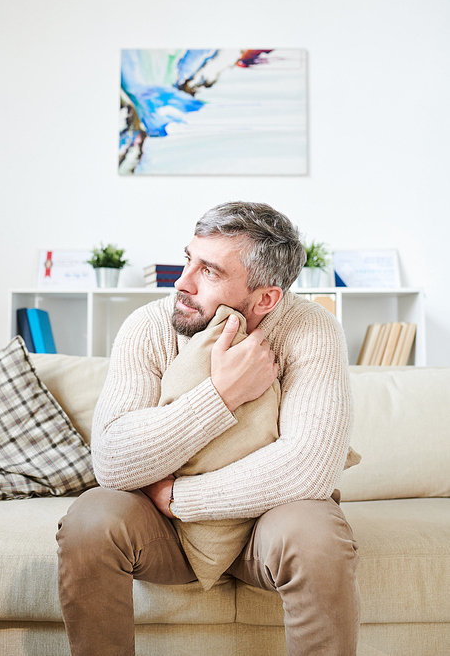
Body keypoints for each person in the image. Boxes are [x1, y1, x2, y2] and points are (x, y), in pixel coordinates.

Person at [57, 201, 360, 656]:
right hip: (163, 534)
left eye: (210, 271)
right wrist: (220, 394)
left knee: (316, 535)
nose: (182, 282)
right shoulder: (148, 326)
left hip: (264, 528)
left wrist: (181, 498)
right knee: (91, 517)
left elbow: (310, 466)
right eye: (187, 259)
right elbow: (114, 461)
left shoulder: (311, 329)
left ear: (265, 299)